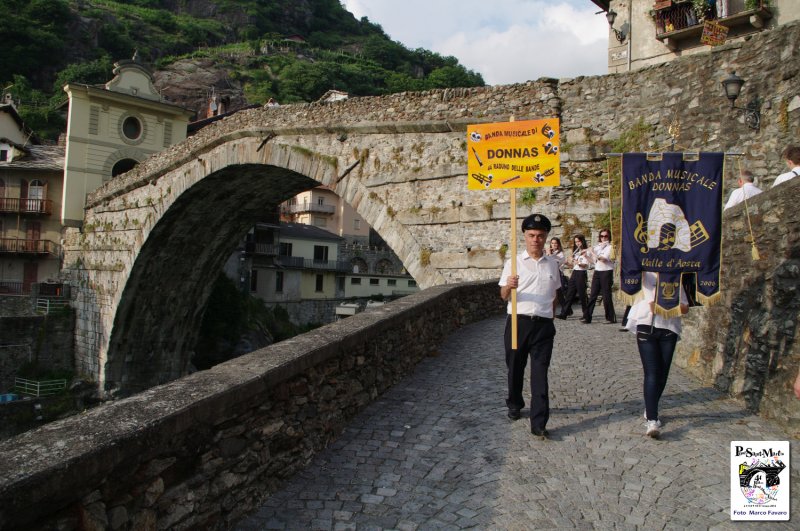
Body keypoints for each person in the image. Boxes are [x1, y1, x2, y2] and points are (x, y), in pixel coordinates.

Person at [499, 214, 561, 439]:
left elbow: (555, 295)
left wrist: (550, 319)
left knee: (540, 373)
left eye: (541, 236)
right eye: (532, 235)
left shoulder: (553, 264)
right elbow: (503, 296)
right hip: (518, 322)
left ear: (546, 238)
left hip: (543, 326)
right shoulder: (513, 263)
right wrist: (509, 285)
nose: (536, 239)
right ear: (525, 236)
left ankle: (539, 422)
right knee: (515, 366)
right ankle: (515, 402)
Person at [625, 271, 689, 438]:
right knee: (652, 372)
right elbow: (630, 270)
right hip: (646, 325)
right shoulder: (645, 274)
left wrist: (665, 307)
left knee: (662, 374)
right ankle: (652, 420)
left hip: (669, 328)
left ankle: (650, 407)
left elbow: (685, 307)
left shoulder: (676, 277)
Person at [584, 228, 617, 324]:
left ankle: (610, 318)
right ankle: (587, 317)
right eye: (601, 236)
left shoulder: (610, 247)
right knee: (593, 294)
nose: (603, 238)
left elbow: (602, 259)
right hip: (597, 271)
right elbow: (594, 262)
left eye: (605, 236)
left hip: (606, 271)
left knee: (606, 295)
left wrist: (593, 252)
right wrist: (586, 256)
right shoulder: (598, 247)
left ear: (609, 236)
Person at [557, 234, 591, 321]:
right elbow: (573, 266)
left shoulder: (586, 252)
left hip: (581, 273)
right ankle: (564, 313)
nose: (577, 243)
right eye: (576, 242)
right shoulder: (576, 252)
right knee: (569, 293)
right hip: (575, 273)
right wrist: (568, 262)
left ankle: (586, 315)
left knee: (582, 295)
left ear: (582, 241)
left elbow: (586, 265)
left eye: (579, 241)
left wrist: (576, 262)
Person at [547, 237, 568, 314]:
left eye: (555, 243)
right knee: (557, 293)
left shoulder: (560, 254)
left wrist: (549, 254)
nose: (553, 245)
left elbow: (556, 264)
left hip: (557, 274)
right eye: (552, 243)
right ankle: (567, 310)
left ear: (558, 244)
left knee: (559, 293)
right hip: (550, 274)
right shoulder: (550, 252)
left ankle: (566, 309)